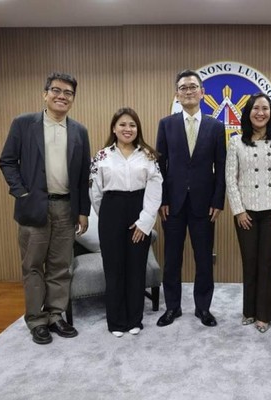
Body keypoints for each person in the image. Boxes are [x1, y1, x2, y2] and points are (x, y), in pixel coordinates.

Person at [0, 72, 90, 345]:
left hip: (66, 208)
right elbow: (7, 161)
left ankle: (55, 315)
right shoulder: (24, 124)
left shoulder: (79, 131)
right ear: (45, 94)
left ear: (73, 99)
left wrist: (82, 210)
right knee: (33, 266)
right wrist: (22, 193)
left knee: (61, 266)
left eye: (68, 93)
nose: (62, 96)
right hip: (33, 207)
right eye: (56, 90)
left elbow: (83, 174)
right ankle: (36, 320)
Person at [155, 69, 226, 327]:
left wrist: (218, 201)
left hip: (204, 205)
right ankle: (172, 307)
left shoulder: (216, 127)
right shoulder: (166, 124)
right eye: (183, 87)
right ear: (177, 94)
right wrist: (162, 199)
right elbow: (159, 167)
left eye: (193, 87)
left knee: (204, 259)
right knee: (172, 259)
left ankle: (203, 308)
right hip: (172, 204)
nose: (188, 91)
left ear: (202, 92)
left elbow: (222, 166)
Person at [89, 107, 163, 337]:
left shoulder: (148, 156)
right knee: (114, 269)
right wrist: (110, 218)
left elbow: (155, 190)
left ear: (137, 128)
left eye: (132, 125)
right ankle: (116, 321)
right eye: (122, 124)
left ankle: (134, 320)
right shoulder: (102, 156)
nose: (127, 129)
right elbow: (95, 193)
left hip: (139, 209)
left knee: (135, 268)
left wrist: (144, 222)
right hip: (111, 212)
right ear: (114, 128)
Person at [225, 93, 271, 334]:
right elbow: (231, 180)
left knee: (267, 262)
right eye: (256, 108)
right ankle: (249, 310)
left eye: (265, 108)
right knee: (250, 261)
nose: (260, 112)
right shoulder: (236, 142)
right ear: (248, 112)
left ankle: (264, 314)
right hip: (246, 212)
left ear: (270, 113)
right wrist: (239, 211)